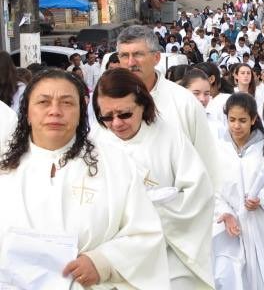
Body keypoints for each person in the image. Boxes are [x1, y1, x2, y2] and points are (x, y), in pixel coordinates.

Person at [0, 69, 170, 288]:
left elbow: (146, 234)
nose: (55, 111)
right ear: (26, 113)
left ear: (81, 112)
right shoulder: (4, 166)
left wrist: (102, 262)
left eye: (67, 103)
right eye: (43, 102)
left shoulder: (115, 165)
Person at [94, 69, 215, 288]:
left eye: (125, 114)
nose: (116, 123)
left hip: (168, 255)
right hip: (114, 261)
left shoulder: (170, 138)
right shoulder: (94, 144)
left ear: (142, 105)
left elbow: (199, 194)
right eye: (107, 117)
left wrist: (152, 210)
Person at [116, 25, 218, 188]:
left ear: (156, 58)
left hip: (175, 208)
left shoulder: (184, 102)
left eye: (138, 54)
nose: (130, 62)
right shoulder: (108, 103)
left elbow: (207, 164)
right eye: (124, 55)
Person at [212, 93, 264, 290]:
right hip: (227, 228)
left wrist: (262, 199)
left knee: (263, 281)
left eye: (242, 120)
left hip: (260, 227)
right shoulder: (218, 148)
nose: (236, 126)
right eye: (232, 120)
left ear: (254, 119)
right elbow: (211, 186)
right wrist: (225, 212)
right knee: (227, 275)